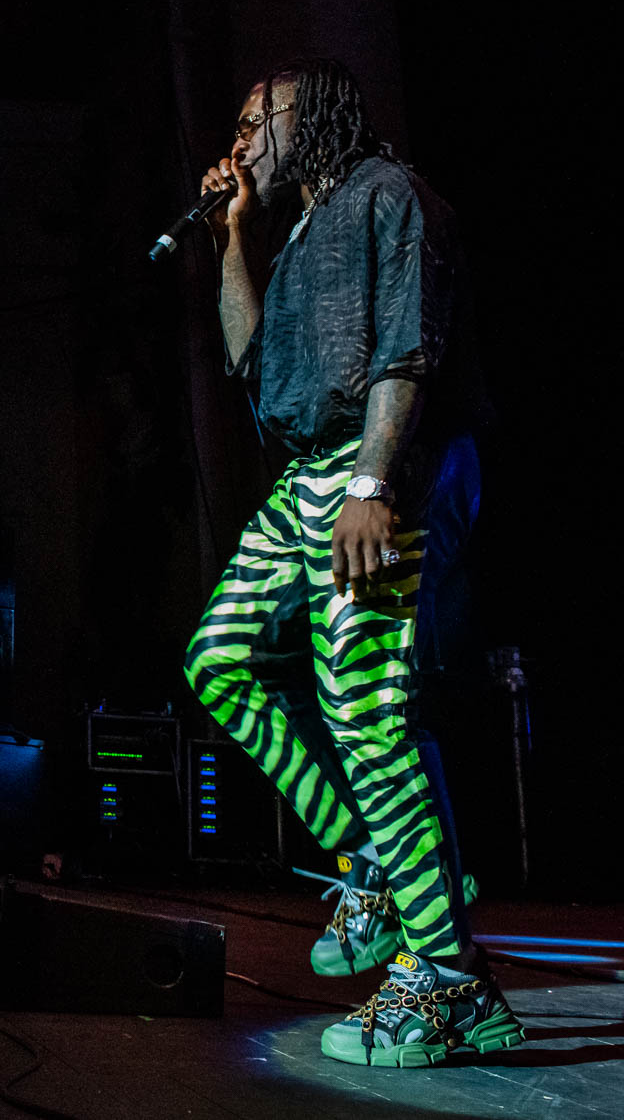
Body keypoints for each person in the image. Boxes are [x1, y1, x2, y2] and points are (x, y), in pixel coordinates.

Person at [182, 58, 521, 1067]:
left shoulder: (391, 199)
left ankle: (453, 987)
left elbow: (405, 349)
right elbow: (247, 364)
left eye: (255, 121)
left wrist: (373, 482)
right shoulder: (291, 232)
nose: (238, 140)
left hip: (384, 460)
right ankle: (374, 860)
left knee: (363, 708)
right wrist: (229, 238)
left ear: (313, 117)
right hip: (303, 474)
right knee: (218, 661)